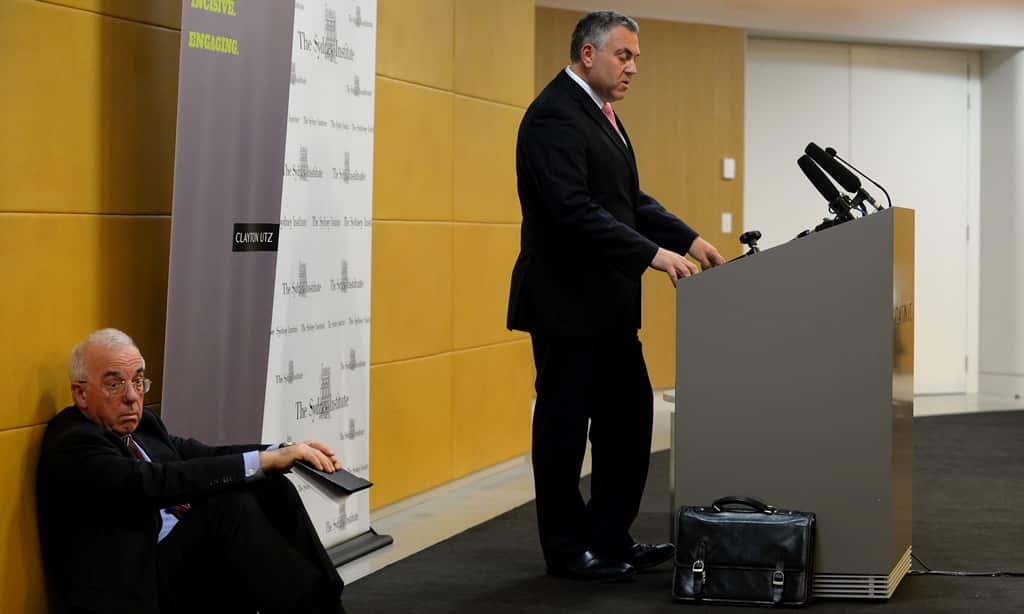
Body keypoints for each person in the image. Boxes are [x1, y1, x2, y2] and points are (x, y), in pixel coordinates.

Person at [508, 11, 725, 581]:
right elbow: (573, 210)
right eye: (623, 56)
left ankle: (608, 537)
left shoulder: (602, 115)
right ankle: (565, 550)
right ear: (588, 55)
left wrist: (688, 238)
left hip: (606, 307)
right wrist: (652, 255)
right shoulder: (554, 115)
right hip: (565, 303)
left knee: (628, 423)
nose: (632, 68)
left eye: (636, 58)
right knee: (562, 429)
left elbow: (628, 198)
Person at [36, 328, 347, 613]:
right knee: (227, 508)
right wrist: (262, 463)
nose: (131, 397)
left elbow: (199, 454)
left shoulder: (143, 423)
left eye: (138, 381)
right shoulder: (73, 443)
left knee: (271, 486)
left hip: (180, 560)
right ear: (80, 394)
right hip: (137, 585)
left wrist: (280, 453)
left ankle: (327, 603)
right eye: (115, 384)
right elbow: (152, 483)